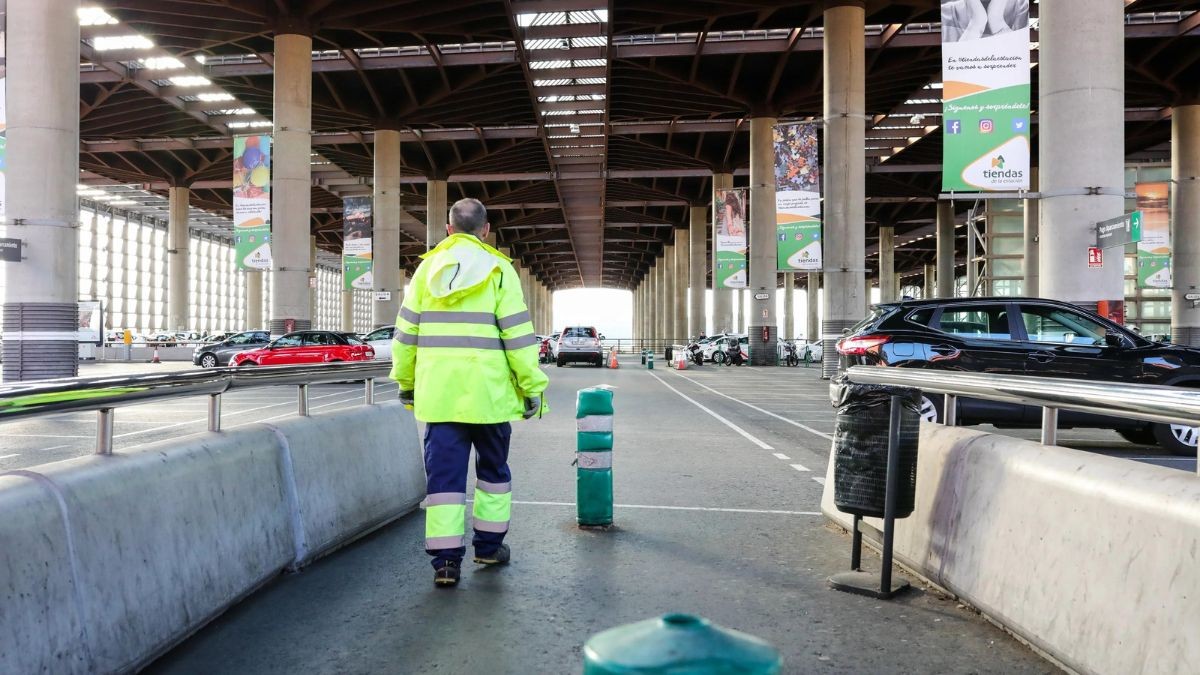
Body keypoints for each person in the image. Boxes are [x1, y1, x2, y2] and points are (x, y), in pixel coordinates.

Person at [390, 197, 549, 588]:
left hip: (440, 397)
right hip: (490, 397)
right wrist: (532, 388)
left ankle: (446, 562)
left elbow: (405, 337)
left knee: (444, 481)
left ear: (448, 229)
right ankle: (489, 547)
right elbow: (518, 337)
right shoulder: (499, 270)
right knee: (493, 475)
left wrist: (407, 384)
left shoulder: (425, 272)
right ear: (485, 230)